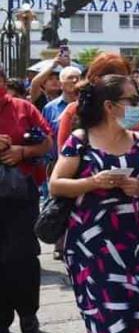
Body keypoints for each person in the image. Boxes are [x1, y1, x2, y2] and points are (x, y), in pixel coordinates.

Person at [49, 75, 139, 333]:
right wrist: (93, 182)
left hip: (129, 243)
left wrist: (138, 188)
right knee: (97, 312)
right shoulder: (80, 140)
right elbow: (57, 184)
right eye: (131, 99)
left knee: (126, 315)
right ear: (110, 105)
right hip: (87, 244)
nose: (136, 105)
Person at [0, 64, 52, 333]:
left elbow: (48, 143)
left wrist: (22, 150)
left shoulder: (24, 108)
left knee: (22, 255)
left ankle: (28, 314)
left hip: (22, 195)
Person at [56, 53, 139, 147]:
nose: (125, 85)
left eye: (127, 79)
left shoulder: (134, 109)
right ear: (96, 80)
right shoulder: (74, 112)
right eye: (116, 80)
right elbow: (64, 153)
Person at [41, 65, 82, 260]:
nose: (74, 81)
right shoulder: (51, 108)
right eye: (70, 78)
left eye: (77, 78)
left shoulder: (88, 105)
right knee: (60, 204)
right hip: (58, 162)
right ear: (61, 83)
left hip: (84, 163)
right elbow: (46, 135)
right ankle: (60, 243)